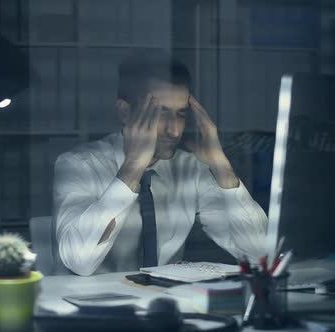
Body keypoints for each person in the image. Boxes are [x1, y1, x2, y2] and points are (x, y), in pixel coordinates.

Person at [53, 51, 268, 276]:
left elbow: (259, 255)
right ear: (125, 112)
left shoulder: (190, 169)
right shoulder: (79, 165)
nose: (174, 130)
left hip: (166, 303)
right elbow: (78, 261)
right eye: (159, 113)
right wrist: (133, 167)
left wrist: (222, 168)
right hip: (97, 305)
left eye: (181, 114)